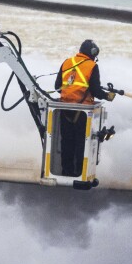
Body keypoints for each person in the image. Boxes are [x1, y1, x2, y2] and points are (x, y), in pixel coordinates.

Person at [54, 40, 115, 177]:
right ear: (93, 52)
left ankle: (66, 171)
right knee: (81, 141)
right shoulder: (92, 66)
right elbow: (95, 90)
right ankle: (79, 173)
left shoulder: (67, 62)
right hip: (83, 112)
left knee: (67, 141)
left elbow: (57, 86)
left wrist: (72, 91)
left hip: (65, 109)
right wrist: (107, 96)